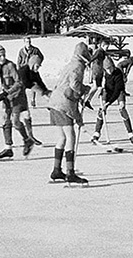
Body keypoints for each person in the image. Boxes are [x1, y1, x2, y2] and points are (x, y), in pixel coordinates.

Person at [46, 42, 91, 184]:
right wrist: (84, 89)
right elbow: (74, 86)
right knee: (71, 136)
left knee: (62, 138)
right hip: (63, 104)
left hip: (54, 102)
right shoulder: (78, 66)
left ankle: (56, 170)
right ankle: (70, 173)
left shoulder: (70, 64)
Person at [0, 43, 34, 159]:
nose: (2, 58)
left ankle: (27, 140)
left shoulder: (10, 66)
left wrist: (7, 92)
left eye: (3, 55)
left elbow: (19, 83)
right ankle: (8, 148)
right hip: (6, 97)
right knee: (5, 120)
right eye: (0, 56)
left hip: (17, 96)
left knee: (16, 121)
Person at [91, 57, 133, 146]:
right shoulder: (104, 71)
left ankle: (131, 134)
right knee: (102, 109)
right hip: (107, 91)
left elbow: (117, 92)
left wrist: (108, 103)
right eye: (107, 69)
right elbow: (97, 77)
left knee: (122, 107)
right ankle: (96, 133)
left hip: (118, 91)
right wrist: (99, 87)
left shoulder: (118, 73)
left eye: (110, 68)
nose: (109, 71)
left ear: (113, 66)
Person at [16, 54, 51, 147]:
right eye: (37, 66)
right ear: (32, 64)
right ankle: (8, 143)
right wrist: (41, 93)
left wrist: (46, 92)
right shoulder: (23, 71)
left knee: (26, 114)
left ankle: (30, 136)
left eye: (39, 66)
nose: (38, 68)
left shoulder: (35, 73)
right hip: (14, 94)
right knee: (13, 120)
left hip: (21, 95)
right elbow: (27, 83)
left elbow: (40, 83)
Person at [83, 39, 110, 109]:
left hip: (100, 70)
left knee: (98, 87)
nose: (107, 49)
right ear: (102, 45)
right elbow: (93, 57)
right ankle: (85, 100)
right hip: (96, 70)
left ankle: (88, 100)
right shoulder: (99, 51)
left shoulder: (103, 52)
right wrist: (88, 62)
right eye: (106, 47)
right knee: (95, 86)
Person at [17, 37, 44, 107]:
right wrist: (19, 69)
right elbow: (18, 61)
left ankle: (33, 100)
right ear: (24, 42)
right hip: (24, 70)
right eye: (26, 42)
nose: (28, 43)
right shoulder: (21, 51)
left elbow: (41, 56)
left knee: (34, 84)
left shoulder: (35, 50)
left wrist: (37, 63)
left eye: (29, 42)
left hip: (32, 70)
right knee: (23, 85)